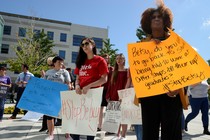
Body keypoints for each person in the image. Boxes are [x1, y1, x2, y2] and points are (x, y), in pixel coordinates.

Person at [139, 1, 183, 140]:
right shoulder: (141, 46)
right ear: (148, 22)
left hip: (172, 94)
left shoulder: (176, 43)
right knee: (149, 132)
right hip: (149, 96)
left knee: (172, 134)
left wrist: (178, 87)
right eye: (153, 17)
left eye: (160, 17)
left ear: (165, 21)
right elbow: (139, 72)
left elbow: (184, 68)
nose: (157, 19)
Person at [71, 37, 108, 140]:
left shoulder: (100, 60)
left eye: (86, 44)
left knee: (90, 123)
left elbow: (104, 79)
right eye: (82, 45)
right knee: (77, 122)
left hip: (93, 95)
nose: (84, 46)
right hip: (80, 94)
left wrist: (89, 86)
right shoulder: (81, 61)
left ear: (93, 45)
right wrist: (77, 85)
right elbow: (77, 78)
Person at [43, 56, 72, 140]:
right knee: (50, 116)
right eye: (59, 62)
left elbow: (69, 83)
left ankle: (67, 134)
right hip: (50, 97)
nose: (61, 64)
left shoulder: (65, 72)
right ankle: (51, 134)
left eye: (62, 62)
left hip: (62, 97)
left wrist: (69, 86)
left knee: (65, 116)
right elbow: (44, 84)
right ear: (54, 63)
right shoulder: (48, 72)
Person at [106, 53, 128, 140]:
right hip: (113, 95)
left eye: (121, 58)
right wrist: (108, 95)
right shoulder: (113, 72)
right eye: (117, 58)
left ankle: (123, 135)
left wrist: (124, 96)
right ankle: (117, 134)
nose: (119, 60)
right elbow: (110, 85)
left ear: (124, 60)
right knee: (115, 116)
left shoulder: (127, 71)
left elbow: (127, 84)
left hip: (123, 96)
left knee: (123, 117)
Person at [125, 68, 142, 140]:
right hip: (133, 92)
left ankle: (140, 137)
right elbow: (129, 80)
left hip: (143, 92)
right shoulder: (130, 68)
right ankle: (139, 138)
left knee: (140, 119)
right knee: (135, 119)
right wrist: (125, 94)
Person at [97, 54, 113, 131]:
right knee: (100, 108)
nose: (105, 59)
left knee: (109, 109)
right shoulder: (99, 68)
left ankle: (109, 127)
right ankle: (99, 126)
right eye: (104, 58)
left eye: (107, 58)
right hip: (101, 89)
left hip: (109, 90)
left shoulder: (111, 69)